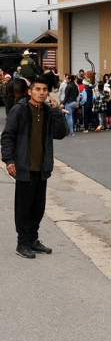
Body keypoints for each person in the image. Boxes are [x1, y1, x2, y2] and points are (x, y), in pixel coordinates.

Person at [1, 77, 67, 258]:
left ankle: (33, 240)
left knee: (38, 207)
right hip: (24, 166)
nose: (41, 93)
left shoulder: (47, 110)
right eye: (37, 89)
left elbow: (61, 134)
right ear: (30, 91)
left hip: (42, 167)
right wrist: (9, 160)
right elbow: (7, 136)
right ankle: (22, 243)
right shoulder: (19, 110)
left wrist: (56, 110)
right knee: (24, 208)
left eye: (45, 89)